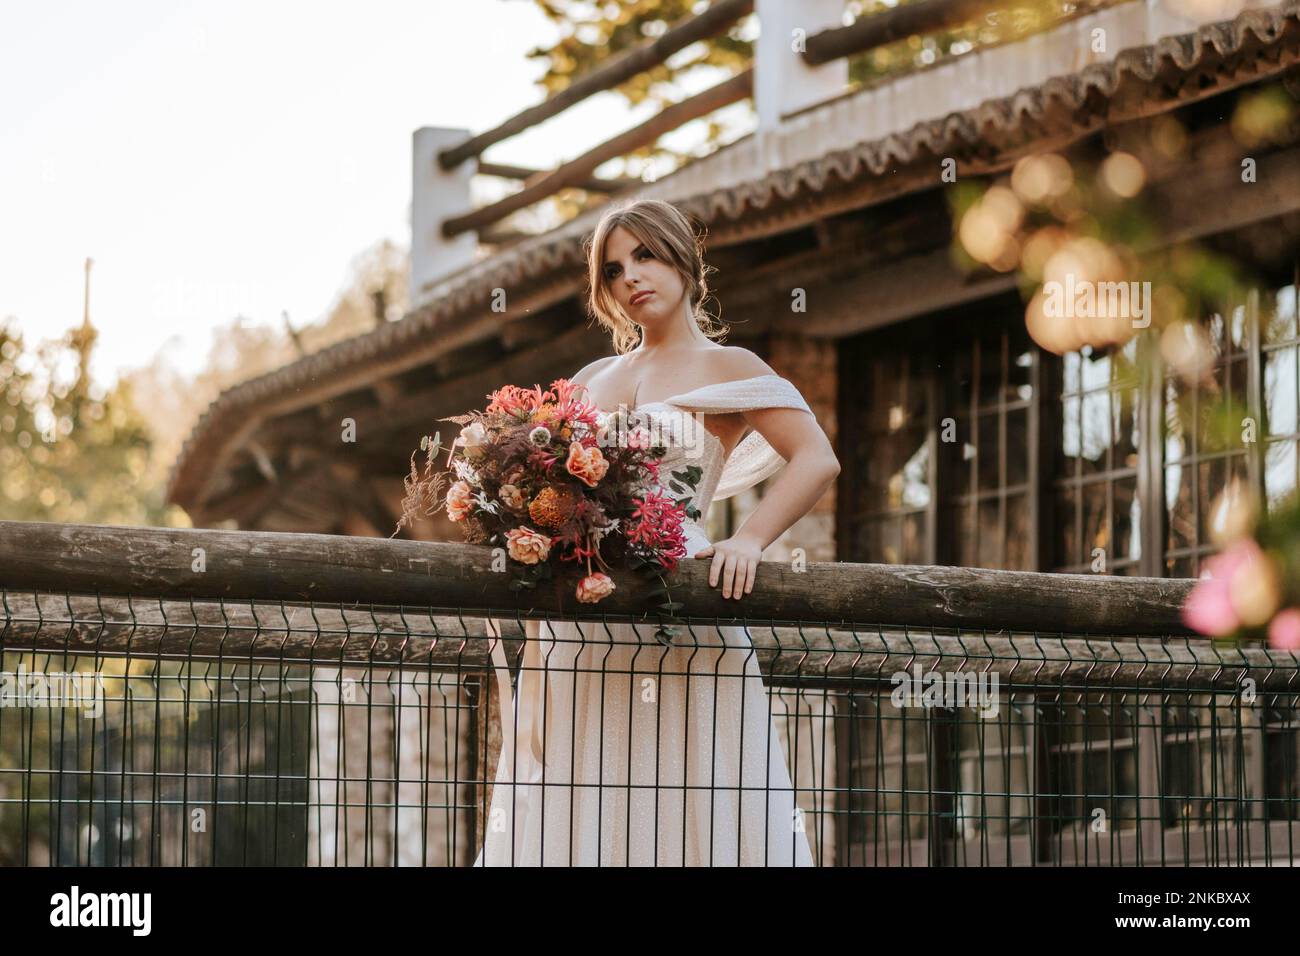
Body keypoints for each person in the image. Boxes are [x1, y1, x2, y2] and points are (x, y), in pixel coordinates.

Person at [474, 198, 840, 866]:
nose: (630, 277)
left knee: (699, 784)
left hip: (683, 605)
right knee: (583, 780)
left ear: (682, 257)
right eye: (613, 270)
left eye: (644, 255)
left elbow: (817, 457)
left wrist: (750, 538)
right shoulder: (589, 381)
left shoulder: (732, 367)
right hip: (584, 619)